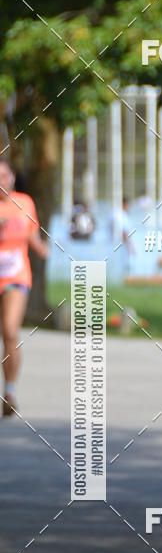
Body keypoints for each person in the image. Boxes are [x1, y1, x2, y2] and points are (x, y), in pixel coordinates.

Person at [0, 157, 48, 416]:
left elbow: (32, 234)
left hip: (15, 276)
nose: (1, 182)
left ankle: (9, 391)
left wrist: (41, 248)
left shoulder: (25, 202)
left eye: (5, 176)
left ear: (13, 177)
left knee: (9, 330)